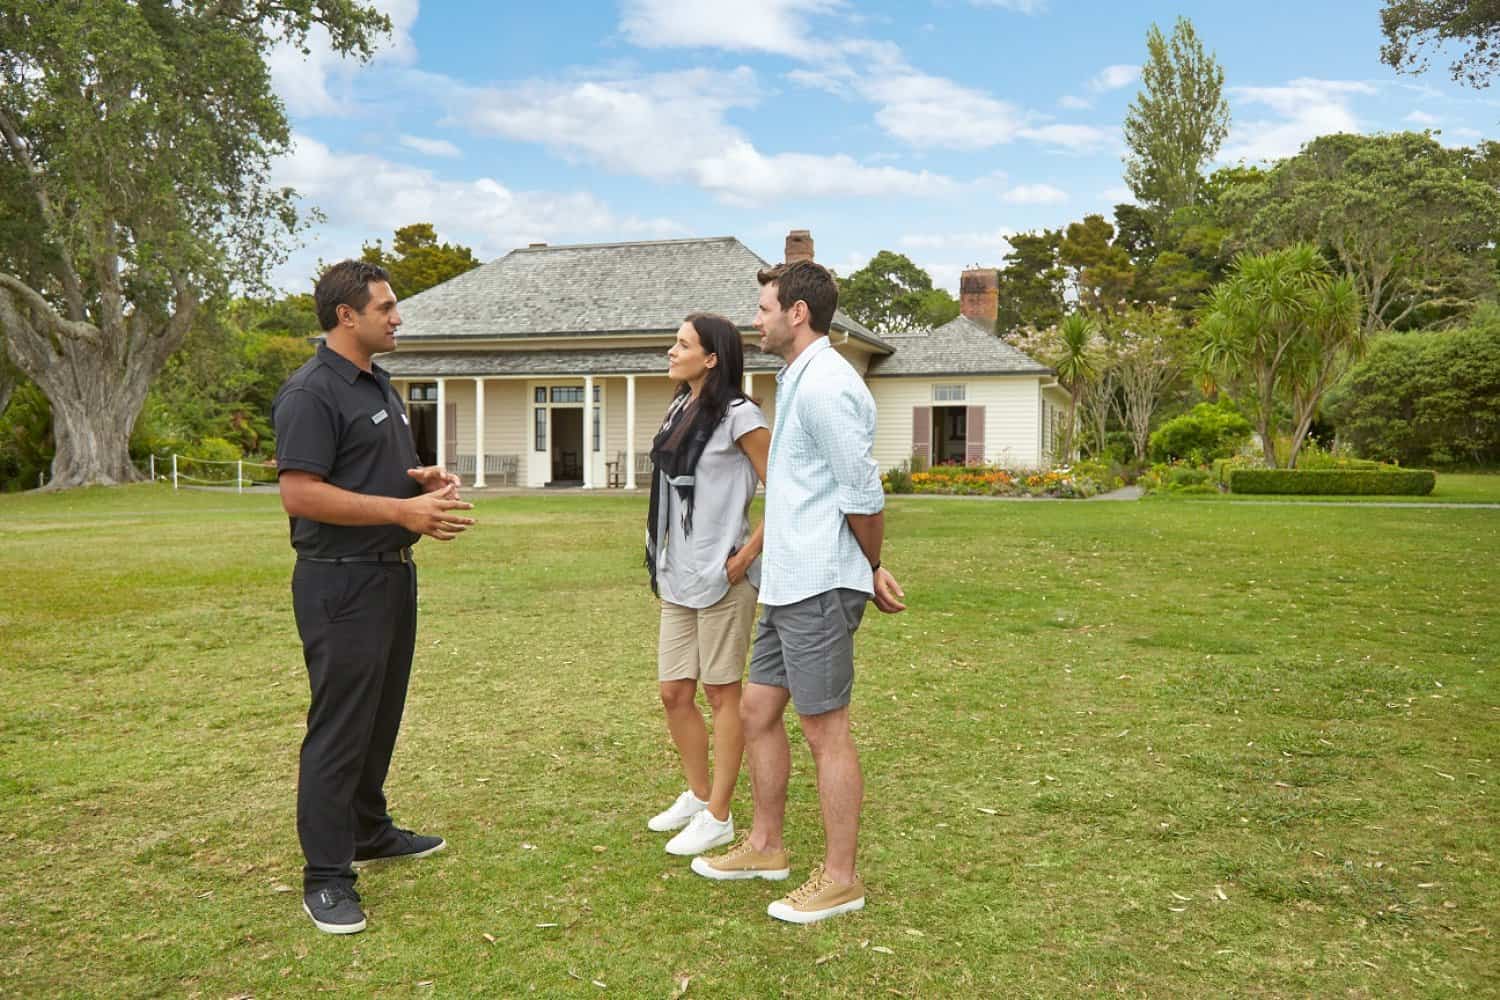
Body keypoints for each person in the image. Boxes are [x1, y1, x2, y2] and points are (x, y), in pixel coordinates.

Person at [691, 259, 906, 924]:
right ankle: (765, 844)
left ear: (797, 313)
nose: (755, 319)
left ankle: (841, 879)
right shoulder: (798, 378)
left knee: (825, 729)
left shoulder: (827, 387)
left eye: (763, 308)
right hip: (786, 582)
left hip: (819, 581)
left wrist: (871, 566)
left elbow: (862, 492)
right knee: (757, 712)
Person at [272, 259, 476, 935]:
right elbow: (300, 493)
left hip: (390, 575)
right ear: (346, 317)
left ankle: (368, 830)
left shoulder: (379, 385)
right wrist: (398, 512)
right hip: (340, 581)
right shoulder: (311, 393)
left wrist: (423, 488)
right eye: (386, 307)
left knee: (380, 715)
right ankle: (326, 877)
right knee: (340, 726)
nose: (397, 316)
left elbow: (376, 478)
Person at [644, 313, 771, 857]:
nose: (672, 351)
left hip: (723, 576)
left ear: (713, 358)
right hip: (679, 573)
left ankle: (719, 814)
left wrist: (747, 555)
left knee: (722, 692)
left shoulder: (742, 416)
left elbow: (787, 489)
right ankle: (698, 797)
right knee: (674, 692)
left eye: (683, 344)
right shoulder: (679, 407)